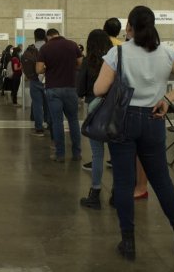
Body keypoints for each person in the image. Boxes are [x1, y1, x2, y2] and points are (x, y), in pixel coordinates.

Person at [93, 5, 174, 260]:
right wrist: (167, 98)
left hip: (124, 119)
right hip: (154, 119)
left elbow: (98, 89)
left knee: (122, 181)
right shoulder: (166, 52)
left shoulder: (117, 52)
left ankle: (128, 242)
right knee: (161, 179)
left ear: (129, 26)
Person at [36, 29, 83, 162]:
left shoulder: (45, 48)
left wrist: (49, 68)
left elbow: (39, 69)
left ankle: (60, 154)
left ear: (48, 36)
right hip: (70, 88)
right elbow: (80, 63)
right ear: (58, 34)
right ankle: (76, 153)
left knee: (57, 122)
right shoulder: (72, 45)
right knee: (73, 121)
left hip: (53, 89)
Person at [79, 29, 113, 209]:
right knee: (116, 155)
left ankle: (95, 194)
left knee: (97, 154)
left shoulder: (88, 61)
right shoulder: (115, 60)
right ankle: (117, 194)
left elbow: (79, 88)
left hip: (94, 109)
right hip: (115, 109)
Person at [29, 29, 48, 136]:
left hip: (34, 79)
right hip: (48, 79)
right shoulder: (49, 47)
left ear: (34, 36)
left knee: (37, 104)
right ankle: (50, 124)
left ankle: (39, 128)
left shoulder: (31, 48)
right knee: (48, 104)